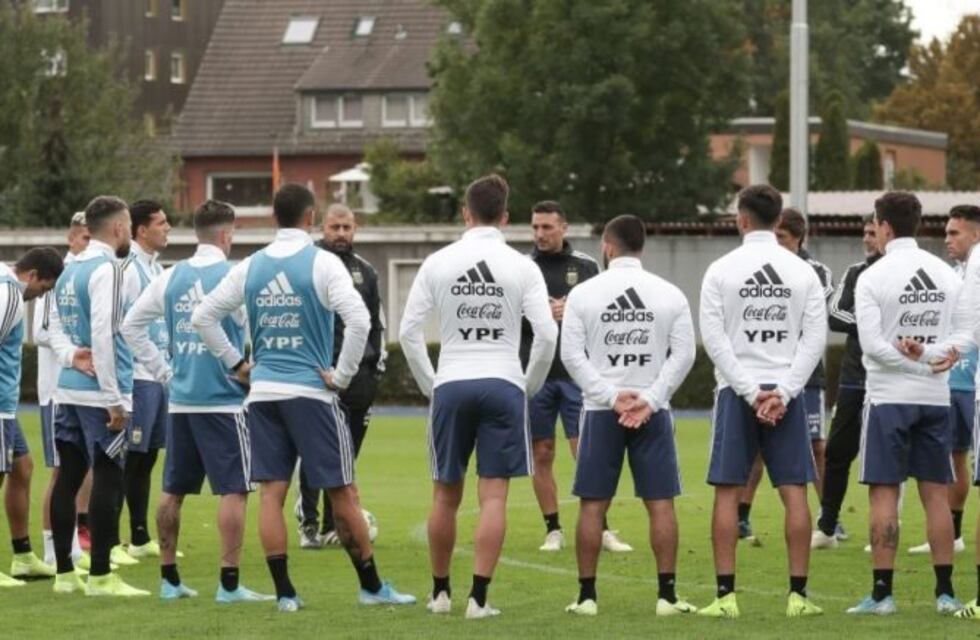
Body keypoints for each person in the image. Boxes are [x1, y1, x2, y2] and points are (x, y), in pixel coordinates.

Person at [193, 184, 414, 612]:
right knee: (343, 493)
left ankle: (285, 593)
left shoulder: (251, 265)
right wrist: (343, 376)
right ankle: (371, 587)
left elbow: (204, 316)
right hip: (311, 393)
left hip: (263, 395)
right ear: (311, 218)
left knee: (273, 493)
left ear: (274, 217)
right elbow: (360, 319)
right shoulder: (323, 263)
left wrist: (238, 365)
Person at [399, 174, 558, 619]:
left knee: (444, 496)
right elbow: (546, 334)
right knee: (493, 497)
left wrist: (432, 383)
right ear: (505, 218)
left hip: (452, 381)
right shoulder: (521, 266)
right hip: (503, 381)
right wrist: (528, 384)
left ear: (465, 213)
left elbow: (407, 332)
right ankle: (479, 600)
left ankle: (440, 593)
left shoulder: (438, 262)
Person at [123, 199, 271, 603]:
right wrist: (244, 365)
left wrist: (166, 371)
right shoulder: (235, 275)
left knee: (173, 491)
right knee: (234, 490)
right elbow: (255, 331)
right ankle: (229, 584)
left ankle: (169, 580)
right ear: (227, 235)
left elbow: (130, 325)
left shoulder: (171, 277)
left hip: (182, 400)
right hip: (224, 401)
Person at [698, 184, 827, 618]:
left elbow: (714, 340)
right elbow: (816, 340)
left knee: (727, 493)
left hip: (738, 392)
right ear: (778, 221)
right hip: (786, 393)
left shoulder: (720, 269)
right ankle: (798, 597)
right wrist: (786, 391)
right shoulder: (802, 272)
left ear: (741, 218)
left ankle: (724, 597)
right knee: (795, 493)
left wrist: (751, 392)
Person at [560, 215, 696, 616]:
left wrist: (609, 395)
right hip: (651, 412)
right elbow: (684, 354)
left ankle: (586, 597)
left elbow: (571, 355)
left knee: (592, 505)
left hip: (602, 411)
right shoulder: (669, 293)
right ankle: (667, 597)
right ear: (642, 247)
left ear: (607, 245)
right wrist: (650, 399)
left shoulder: (584, 294)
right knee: (661, 503)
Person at [847, 191, 963, 616]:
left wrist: (918, 366)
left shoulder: (872, 277)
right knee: (936, 494)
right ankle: (945, 594)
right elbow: (962, 338)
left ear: (885, 226)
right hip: (936, 398)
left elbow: (873, 348)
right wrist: (934, 363)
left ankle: (882, 595)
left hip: (889, 399)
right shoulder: (947, 274)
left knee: (884, 494)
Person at [46, 195, 148, 596]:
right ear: (120, 228)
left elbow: (54, 328)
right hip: (102, 394)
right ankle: (102, 576)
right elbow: (104, 335)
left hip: (68, 390)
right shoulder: (110, 269)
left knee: (68, 478)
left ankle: (64, 576)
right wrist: (113, 399)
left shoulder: (70, 268)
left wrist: (71, 355)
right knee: (108, 477)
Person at [521, 201, 631, 553]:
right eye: (535, 227)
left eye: (547, 227)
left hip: (578, 376)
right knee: (542, 451)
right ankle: (553, 529)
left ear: (563, 228)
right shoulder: (522, 268)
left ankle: (601, 526)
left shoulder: (586, 266)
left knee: (586, 451)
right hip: (536, 374)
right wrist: (540, 314)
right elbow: (506, 315)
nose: (540, 234)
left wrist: (573, 310)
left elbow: (606, 313)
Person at [737, 208, 834, 540]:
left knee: (817, 445)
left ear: (799, 239)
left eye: (783, 238)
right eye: (774, 236)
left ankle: (829, 515)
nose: (776, 244)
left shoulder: (814, 272)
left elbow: (814, 326)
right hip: (762, 375)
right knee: (758, 449)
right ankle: (742, 515)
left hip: (806, 377)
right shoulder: (753, 267)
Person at [295, 203, 385, 548]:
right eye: (335, 227)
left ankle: (334, 524)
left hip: (360, 379)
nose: (341, 234)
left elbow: (376, 324)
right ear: (322, 228)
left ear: (355, 228)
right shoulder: (309, 265)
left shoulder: (366, 272)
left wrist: (375, 369)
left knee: (346, 456)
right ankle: (309, 523)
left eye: (347, 227)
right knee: (316, 452)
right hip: (319, 375)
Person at [906, 205, 980, 555]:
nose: (947, 238)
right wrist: (933, 353)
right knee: (953, 457)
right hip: (953, 379)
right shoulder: (950, 276)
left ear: (976, 234)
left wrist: (930, 352)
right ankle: (952, 533)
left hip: (971, 382)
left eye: (955, 233)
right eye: (946, 232)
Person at [811, 215, 881, 549]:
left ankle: (881, 529)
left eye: (872, 232)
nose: (867, 238)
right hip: (855, 379)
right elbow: (835, 315)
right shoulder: (856, 272)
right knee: (837, 453)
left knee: (886, 458)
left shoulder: (902, 273)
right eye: (864, 233)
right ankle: (827, 526)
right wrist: (876, 327)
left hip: (891, 380)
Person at [0, 247, 65, 587]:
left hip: (7, 404)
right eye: (45, 288)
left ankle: (23, 555)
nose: (42, 295)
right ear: (33, 276)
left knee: (23, 468)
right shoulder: (10, 294)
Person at [35, 212, 93, 567]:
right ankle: (50, 549)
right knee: (60, 472)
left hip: (76, 390)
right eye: (85, 238)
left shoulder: (84, 275)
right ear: (72, 239)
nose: (89, 244)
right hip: (55, 391)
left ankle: (69, 545)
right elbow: (41, 332)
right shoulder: (59, 278)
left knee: (76, 469)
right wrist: (73, 349)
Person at [118, 200, 172, 561]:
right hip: (138, 375)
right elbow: (125, 323)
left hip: (158, 374)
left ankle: (139, 535)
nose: (168, 228)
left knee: (149, 456)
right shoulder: (131, 268)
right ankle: (117, 535)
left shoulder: (158, 268)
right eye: (162, 223)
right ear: (141, 230)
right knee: (131, 458)